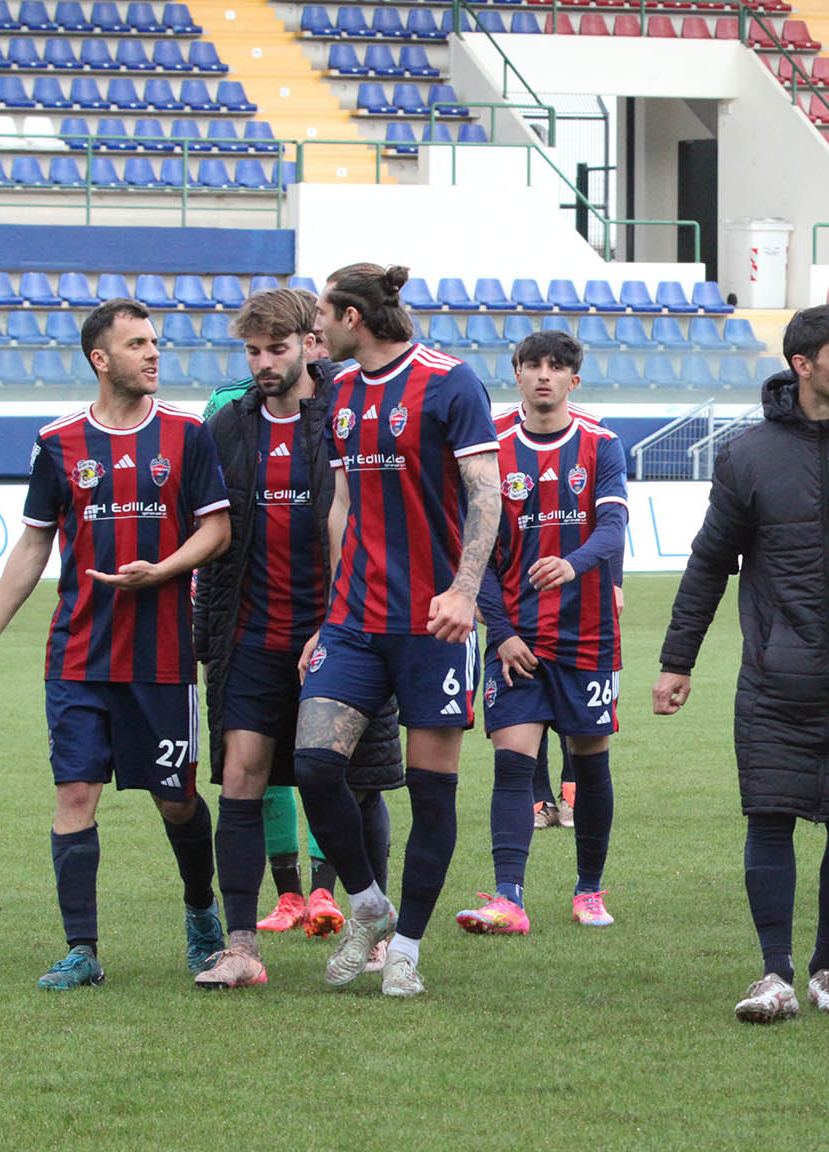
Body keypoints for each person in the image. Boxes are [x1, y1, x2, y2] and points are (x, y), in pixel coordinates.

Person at [655, 306, 829, 1022]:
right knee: (769, 814)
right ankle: (774, 972)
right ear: (802, 365)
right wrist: (677, 660)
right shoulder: (747, 455)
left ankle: (827, 970)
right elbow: (710, 562)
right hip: (775, 673)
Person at [0, 298, 232, 989]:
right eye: (137, 344)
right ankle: (82, 949)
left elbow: (217, 529)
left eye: (155, 341)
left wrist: (162, 571)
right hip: (77, 656)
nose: (153, 352)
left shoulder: (187, 434)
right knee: (75, 795)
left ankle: (202, 912)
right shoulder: (59, 443)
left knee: (176, 800)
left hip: (161, 657)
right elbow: (34, 542)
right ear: (100, 359)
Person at [291, 262, 501, 998]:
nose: (315, 329)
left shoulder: (450, 382)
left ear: (352, 317)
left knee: (431, 792)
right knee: (314, 765)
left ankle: (406, 946)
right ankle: (368, 904)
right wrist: (328, 613)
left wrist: (464, 591)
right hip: (354, 620)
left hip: (432, 625)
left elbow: (487, 494)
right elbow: (342, 504)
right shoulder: (340, 390)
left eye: (322, 314)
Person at [190, 288, 404, 988]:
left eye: (276, 349)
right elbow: (212, 538)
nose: (263, 364)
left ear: (311, 344)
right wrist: (205, 637)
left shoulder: (346, 413)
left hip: (343, 632)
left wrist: (348, 619)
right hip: (252, 635)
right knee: (242, 779)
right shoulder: (227, 428)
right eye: (253, 351)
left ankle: (375, 927)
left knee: (352, 780)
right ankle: (242, 948)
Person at [460, 330, 627, 934]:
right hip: (517, 641)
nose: (544, 375)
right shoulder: (493, 449)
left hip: (587, 635)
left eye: (557, 367)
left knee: (590, 763)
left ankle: (589, 890)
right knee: (512, 764)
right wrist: (502, 632)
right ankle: (509, 898)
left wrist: (573, 564)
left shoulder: (601, 445)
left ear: (573, 380)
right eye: (533, 365)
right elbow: (476, 551)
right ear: (518, 374)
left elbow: (612, 530)